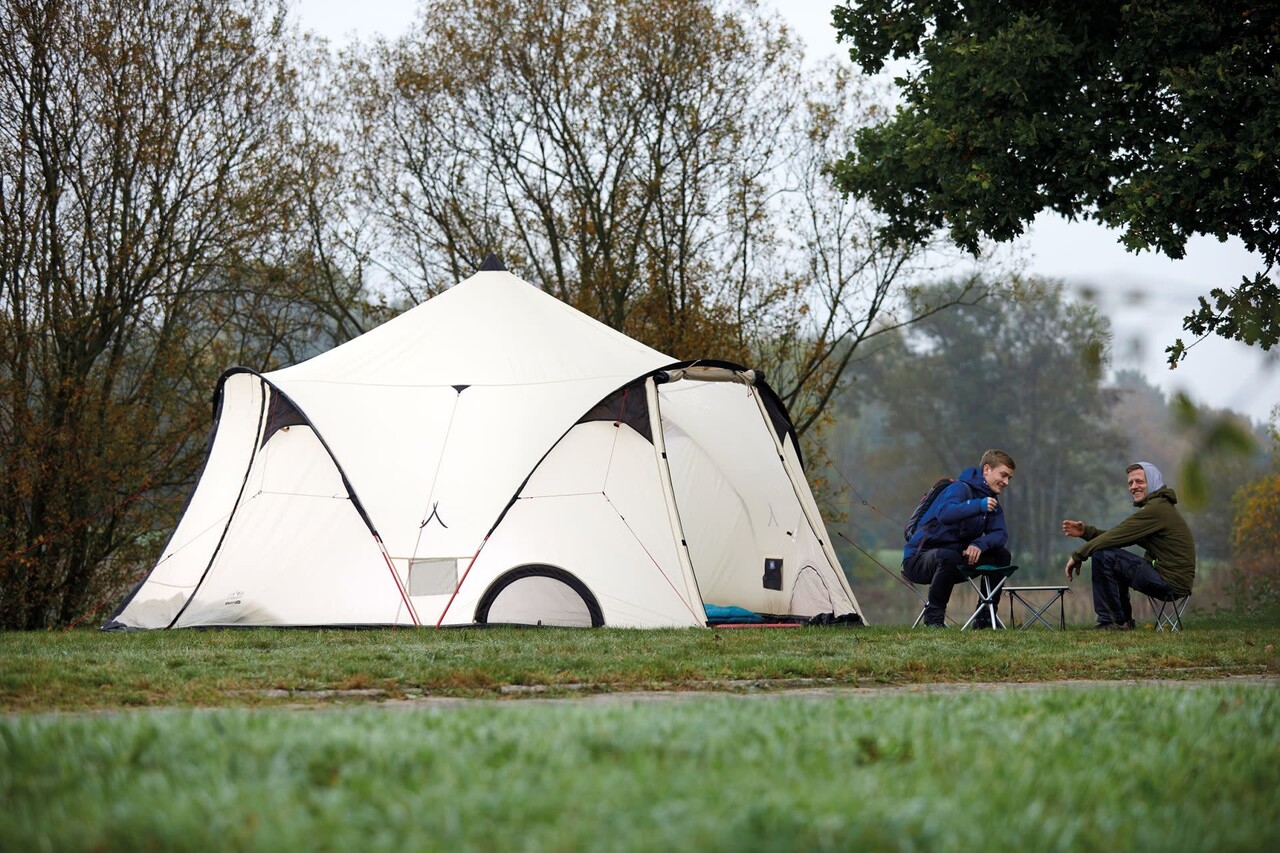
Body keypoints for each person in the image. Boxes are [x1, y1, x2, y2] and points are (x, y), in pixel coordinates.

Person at [1062, 461, 1196, 630]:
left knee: (1104, 555)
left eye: (1140, 481)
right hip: (1171, 580)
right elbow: (1117, 536)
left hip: (1170, 582)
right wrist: (1086, 532)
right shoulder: (1159, 507)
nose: (1133, 487)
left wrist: (1078, 555)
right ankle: (1123, 621)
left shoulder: (1156, 510)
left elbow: (1116, 535)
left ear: (1153, 481)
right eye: (1130, 483)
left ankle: (1113, 622)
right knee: (1108, 554)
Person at [903, 449, 1015, 627]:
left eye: (1009, 477)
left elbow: (1000, 534)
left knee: (1001, 556)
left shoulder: (991, 500)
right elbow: (945, 513)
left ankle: (985, 618)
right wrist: (978, 505)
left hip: (955, 559)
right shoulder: (959, 489)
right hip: (918, 559)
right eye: (1003, 475)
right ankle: (933, 619)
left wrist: (979, 544)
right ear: (986, 469)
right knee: (948, 557)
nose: (1006, 482)